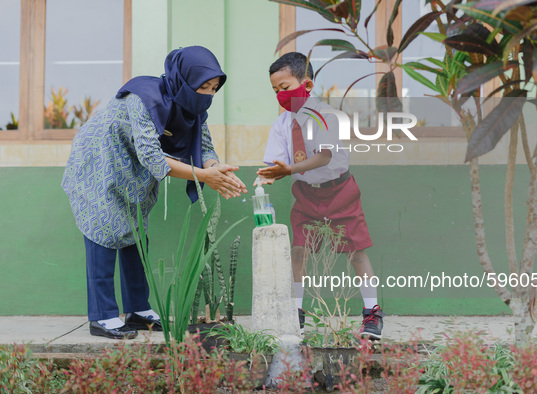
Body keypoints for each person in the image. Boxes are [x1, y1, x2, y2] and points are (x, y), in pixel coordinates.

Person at [62, 46, 247, 340]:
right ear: (184, 80)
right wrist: (204, 176)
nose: (208, 95)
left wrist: (215, 168)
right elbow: (152, 157)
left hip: (132, 171)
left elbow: (204, 146)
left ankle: (137, 310)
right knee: (103, 231)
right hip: (100, 161)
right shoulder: (143, 98)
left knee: (135, 232)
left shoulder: (194, 109)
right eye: (203, 87)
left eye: (214, 89)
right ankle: (102, 316)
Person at [256, 52, 385, 339]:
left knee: (356, 252)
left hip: (340, 190)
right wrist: (265, 177)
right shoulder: (281, 125)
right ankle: (296, 312)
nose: (280, 95)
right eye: (275, 90)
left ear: (307, 85)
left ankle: (372, 312)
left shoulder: (325, 115)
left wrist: (287, 170)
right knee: (298, 251)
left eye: (285, 88)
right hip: (305, 194)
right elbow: (275, 164)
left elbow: (325, 157)